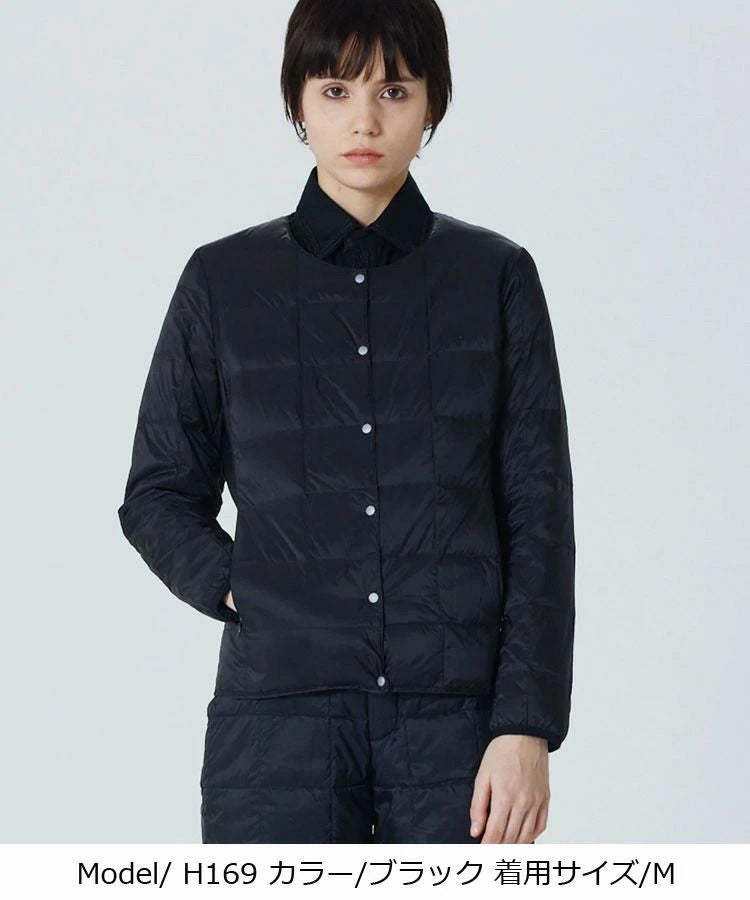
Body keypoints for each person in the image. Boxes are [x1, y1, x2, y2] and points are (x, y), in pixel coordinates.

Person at [117, 0, 575, 845]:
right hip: (276, 728)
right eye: (335, 90)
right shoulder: (223, 281)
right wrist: (244, 584)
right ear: (298, 101)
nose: (364, 120)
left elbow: (538, 518)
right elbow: (157, 493)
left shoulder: (495, 277)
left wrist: (526, 726)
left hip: (457, 727)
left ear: (433, 102)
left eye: (394, 90)